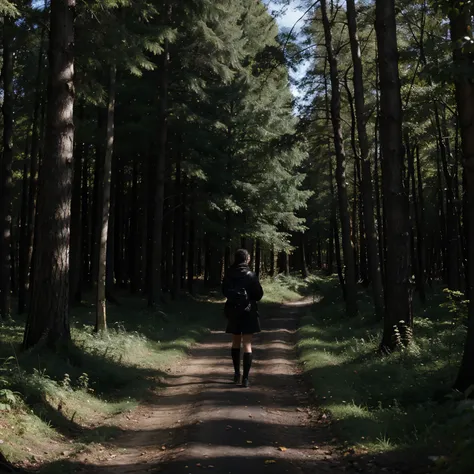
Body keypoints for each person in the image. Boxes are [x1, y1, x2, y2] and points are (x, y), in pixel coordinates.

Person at [222, 249, 264, 388]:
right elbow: (258, 295)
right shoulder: (251, 275)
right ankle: (245, 379)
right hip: (248, 311)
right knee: (247, 344)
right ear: (246, 259)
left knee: (235, 342)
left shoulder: (229, 273)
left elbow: (224, 291)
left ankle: (236, 374)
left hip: (233, 311)